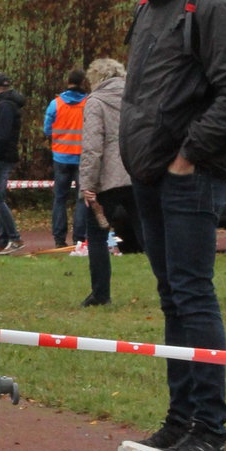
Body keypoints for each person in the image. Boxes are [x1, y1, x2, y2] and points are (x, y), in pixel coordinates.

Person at [120, 0, 226, 451]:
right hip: (149, 175)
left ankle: (210, 426)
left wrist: (188, 156)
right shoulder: (148, 5)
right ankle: (181, 418)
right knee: (172, 298)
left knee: (191, 294)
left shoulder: (209, 3)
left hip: (189, 176)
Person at [78, 57, 140, 308]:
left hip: (108, 179)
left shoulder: (95, 102)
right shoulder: (136, 97)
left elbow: (92, 148)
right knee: (149, 233)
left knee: (96, 235)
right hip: (137, 173)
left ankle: (100, 293)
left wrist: (88, 184)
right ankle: (173, 286)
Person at [44, 69, 90, 251]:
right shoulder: (88, 103)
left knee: (60, 198)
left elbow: (47, 129)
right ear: (83, 82)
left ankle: (59, 238)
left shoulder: (55, 104)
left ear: (68, 81)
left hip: (61, 157)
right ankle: (79, 238)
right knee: (81, 198)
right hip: (82, 157)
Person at [0, 73, 25, 252]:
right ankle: (3, 240)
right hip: (5, 156)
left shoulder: (4, 106)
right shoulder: (9, 105)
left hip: (2, 157)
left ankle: (14, 237)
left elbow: (2, 136)